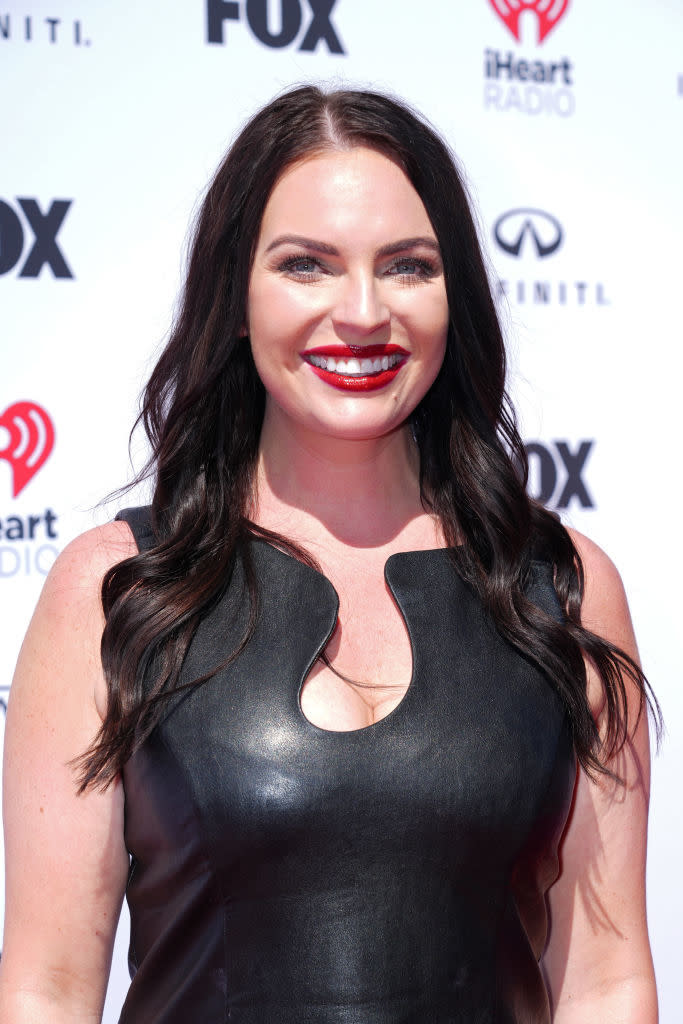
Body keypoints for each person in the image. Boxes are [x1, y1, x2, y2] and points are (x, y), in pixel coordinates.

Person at [0, 86, 658, 1023]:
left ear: (452, 294)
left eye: (406, 267)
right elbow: (46, 988)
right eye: (306, 265)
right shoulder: (115, 591)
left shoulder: (562, 587)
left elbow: (606, 980)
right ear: (234, 298)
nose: (361, 312)